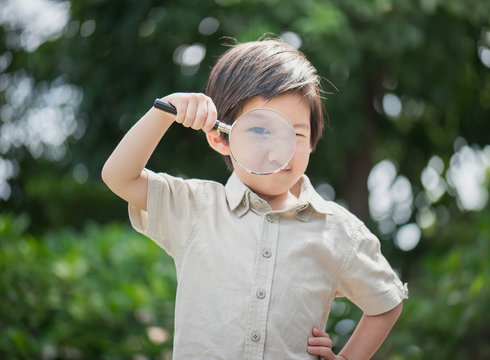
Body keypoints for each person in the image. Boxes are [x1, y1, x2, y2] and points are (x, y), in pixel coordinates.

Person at [102, 38, 408, 360]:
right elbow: (118, 176)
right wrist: (165, 111)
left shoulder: (337, 230)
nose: (279, 150)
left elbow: (386, 302)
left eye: (297, 134)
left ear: (312, 142)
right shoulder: (196, 207)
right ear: (221, 137)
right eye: (260, 130)